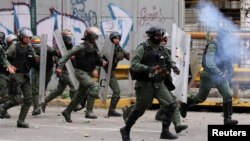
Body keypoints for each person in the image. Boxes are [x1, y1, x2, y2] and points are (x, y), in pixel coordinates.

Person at [120, 26, 179, 141]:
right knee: (139, 110)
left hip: (159, 83)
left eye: (161, 36)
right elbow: (134, 64)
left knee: (171, 105)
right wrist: (148, 68)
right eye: (157, 36)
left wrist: (174, 66)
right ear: (151, 36)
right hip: (145, 85)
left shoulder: (161, 48)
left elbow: (168, 59)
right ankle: (125, 130)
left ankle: (165, 132)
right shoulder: (143, 48)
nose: (160, 38)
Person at [179, 30, 238, 125]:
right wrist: (220, 73)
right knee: (201, 98)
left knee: (228, 94)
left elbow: (229, 63)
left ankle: (227, 119)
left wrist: (229, 75)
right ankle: (186, 103)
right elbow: (209, 63)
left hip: (220, 75)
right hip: (209, 74)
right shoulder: (213, 46)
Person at [57, 27, 106, 123]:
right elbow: (67, 54)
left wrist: (101, 62)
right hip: (80, 72)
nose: (96, 38)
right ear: (90, 36)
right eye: (95, 36)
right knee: (94, 87)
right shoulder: (81, 47)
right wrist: (60, 66)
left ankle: (67, 111)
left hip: (87, 73)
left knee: (79, 95)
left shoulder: (93, 47)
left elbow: (95, 60)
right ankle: (89, 111)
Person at [0, 27, 37, 128]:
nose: (28, 39)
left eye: (30, 37)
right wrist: (8, 66)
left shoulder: (30, 47)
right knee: (17, 99)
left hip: (25, 76)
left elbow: (34, 59)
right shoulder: (14, 47)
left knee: (29, 99)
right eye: (26, 37)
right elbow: (4, 57)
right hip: (15, 76)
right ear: (21, 37)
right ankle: (2, 107)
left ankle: (21, 121)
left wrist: (37, 59)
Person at [41, 29, 76, 113]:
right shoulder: (60, 49)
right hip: (63, 71)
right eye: (68, 38)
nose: (70, 40)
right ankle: (74, 105)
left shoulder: (70, 48)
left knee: (59, 90)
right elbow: (59, 60)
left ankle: (44, 101)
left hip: (69, 71)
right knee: (74, 87)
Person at [31, 36, 59, 115]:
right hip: (36, 69)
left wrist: (59, 66)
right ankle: (36, 108)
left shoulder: (47, 48)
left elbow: (56, 54)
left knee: (43, 88)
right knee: (35, 88)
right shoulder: (30, 49)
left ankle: (42, 103)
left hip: (48, 70)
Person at [0, 36, 16, 119]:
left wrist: (8, 66)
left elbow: (4, 58)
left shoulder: (1, 48)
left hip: (1, 73)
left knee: (4, 93)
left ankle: (3, 111)